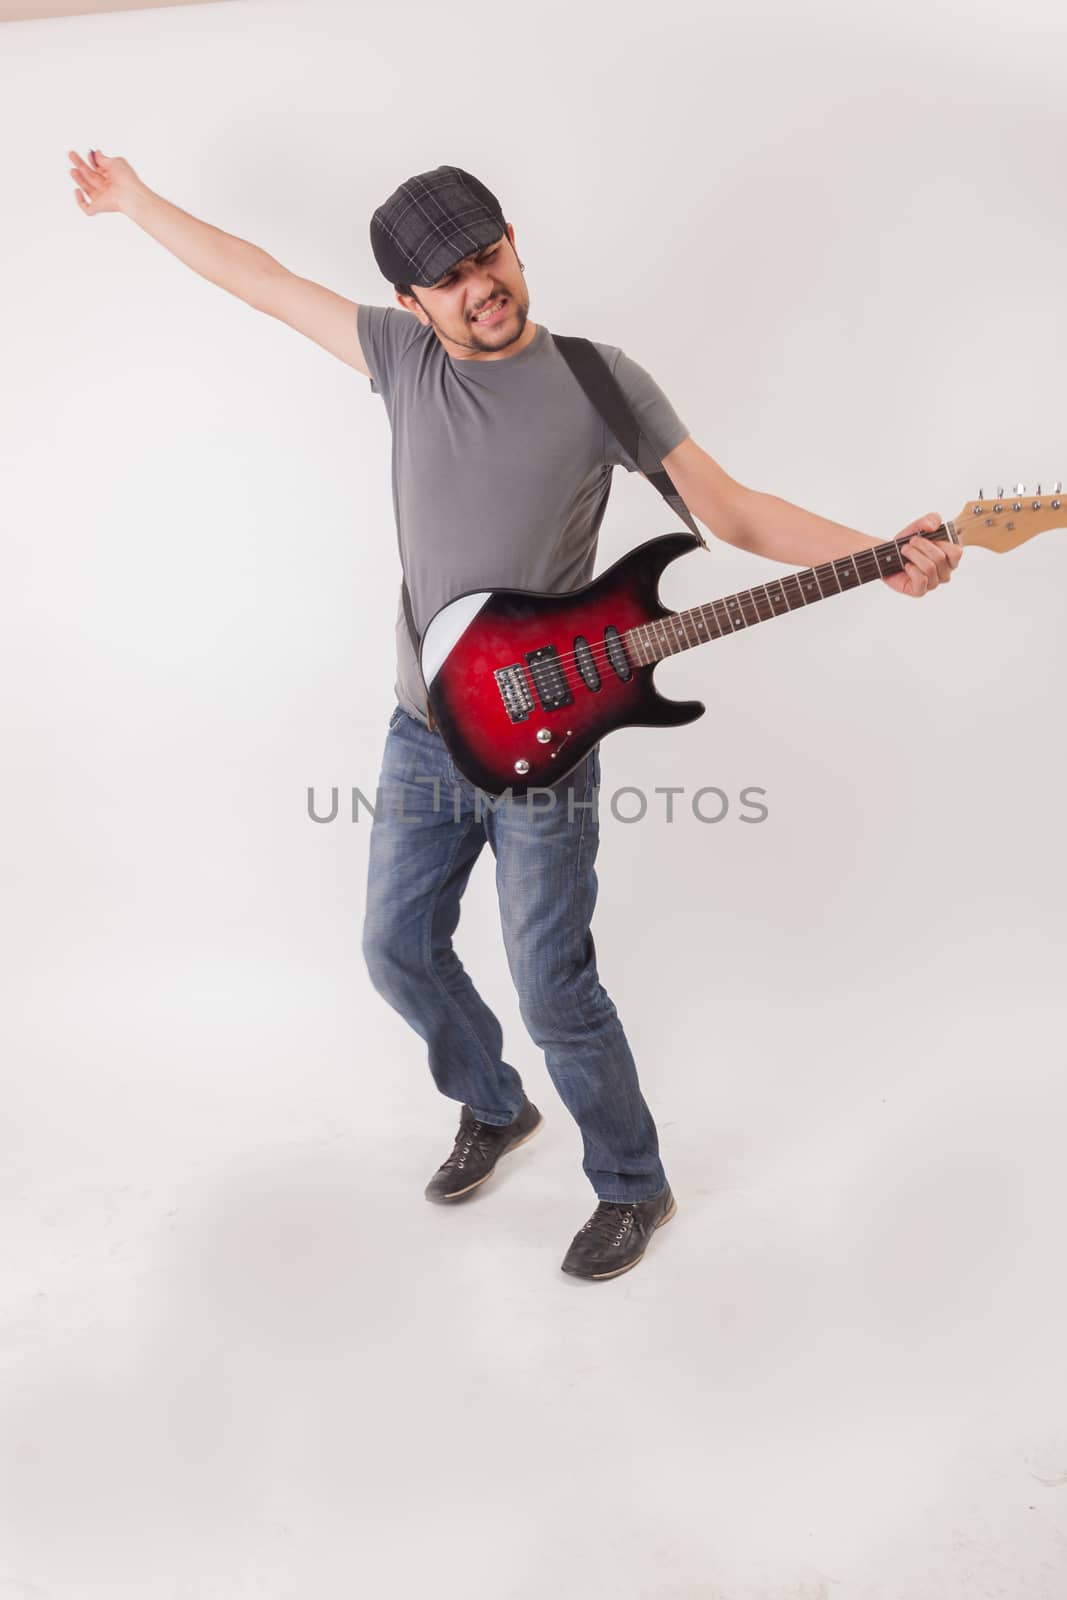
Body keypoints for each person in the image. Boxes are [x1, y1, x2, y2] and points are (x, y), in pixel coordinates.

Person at [67, 152, 963, 1282]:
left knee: (551, 984)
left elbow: (728, 509)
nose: (477, 284)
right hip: (420, 735)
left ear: (511, 242)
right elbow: (259, 279)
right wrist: (138, 203)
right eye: (445, 278)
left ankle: (633, 1183)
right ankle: (492, 1105)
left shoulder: (598, 380)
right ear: (409, 303)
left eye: (486, 253)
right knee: (394, 950)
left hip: (545, 748)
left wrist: (876, 555)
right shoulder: (396, 359)